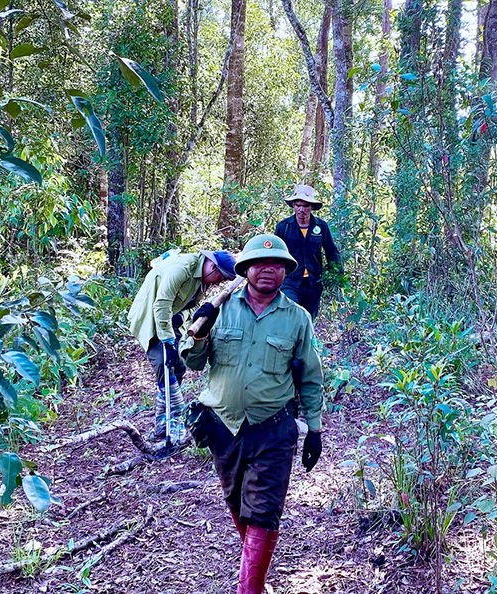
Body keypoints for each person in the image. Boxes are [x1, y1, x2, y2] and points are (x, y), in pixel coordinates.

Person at [180, 234, 323, 594]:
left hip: (273, 428)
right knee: (239, 506)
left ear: (285, 271)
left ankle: (250, 587)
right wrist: (199, 330)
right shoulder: (221, 308)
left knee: (263, 512)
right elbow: (193, 362)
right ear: (245, 269)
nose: (268, 270)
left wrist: (315, 430)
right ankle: (255, 573)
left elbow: (310, 377)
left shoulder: (297, 319)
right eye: (259, 263)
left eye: (276, 265)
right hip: (223, 429)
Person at [128, 248, 237, 441]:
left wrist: (181, 317)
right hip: (150, 317)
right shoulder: (183, 268)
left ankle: (164, 422)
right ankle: (173, 421)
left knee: (179, 364)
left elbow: (190, 305)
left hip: (170, 317)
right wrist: (168, 342)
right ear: (212, 266)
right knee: (164, 364)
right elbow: (161, 304)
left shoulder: (202, 280)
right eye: (221, 277)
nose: (219, 282)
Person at [274, 184, 341, 319]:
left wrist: (337, 273)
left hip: (313, 282)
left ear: (311, 207)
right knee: (292, 313)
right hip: (290, 280)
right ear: (293, 205)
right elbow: (275, 253)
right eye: (298, 205)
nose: (301, 209)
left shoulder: (321, 226)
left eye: (305, 206)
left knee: (309, 318)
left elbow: (331, 251)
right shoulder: (284, 227)